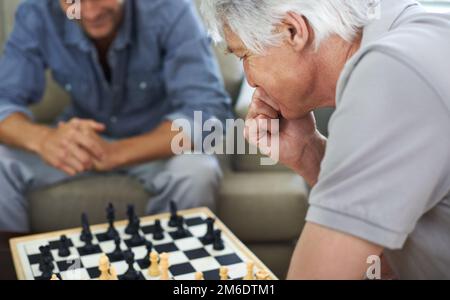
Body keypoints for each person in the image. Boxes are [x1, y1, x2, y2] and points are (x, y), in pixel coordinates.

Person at [201, 0, 450, 279]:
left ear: (292, 30)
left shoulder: (391, 71)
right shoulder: (402, 29)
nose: (250, 81)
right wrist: (308, 152)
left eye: (244, 55)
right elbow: (383, 263)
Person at [0, 0, 232, 232]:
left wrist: (116, 152)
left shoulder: (171, 9)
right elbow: (4, 100)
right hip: (80, 148)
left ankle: (167, 266)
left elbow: (208, 114)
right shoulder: (37, 12)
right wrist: (43, 139)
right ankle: (9, 266)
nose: (90, 12)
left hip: (153, 146)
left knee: (198, 171)